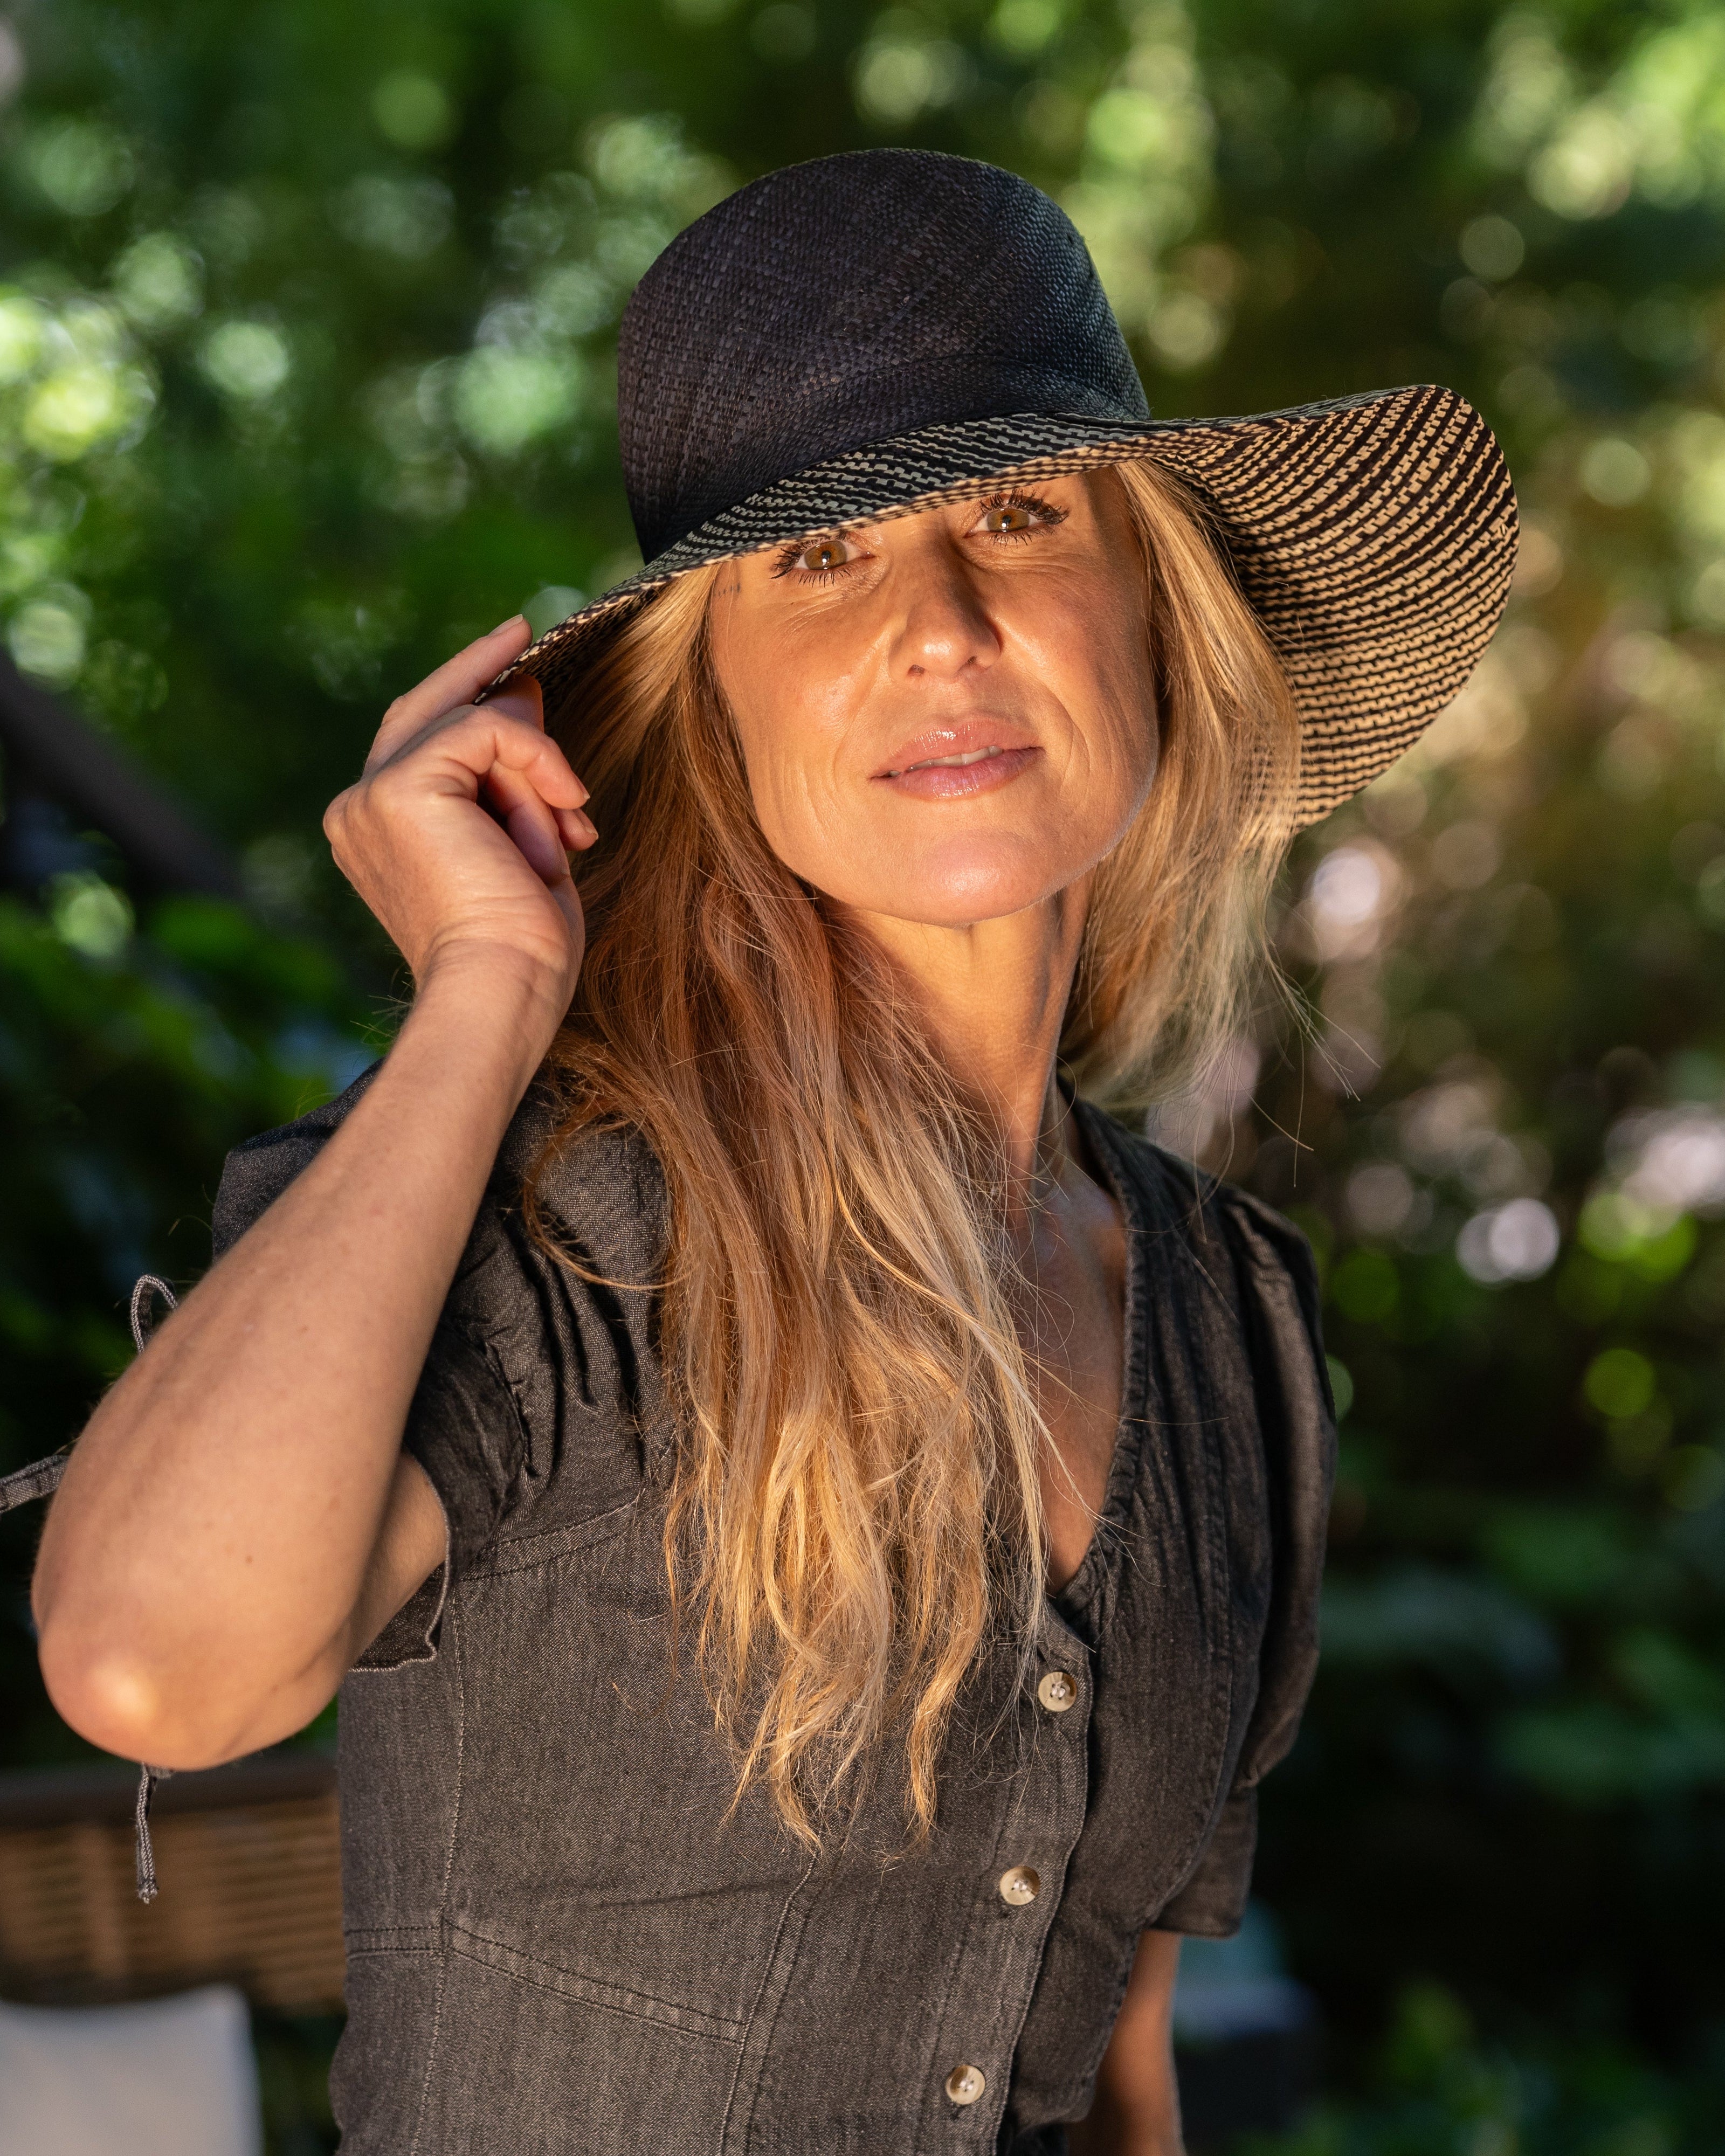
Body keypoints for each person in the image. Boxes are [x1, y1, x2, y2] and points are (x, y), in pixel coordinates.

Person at [26, 151, 1515, 2153]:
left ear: (1156, 614)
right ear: (704, 694)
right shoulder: (558, 1232)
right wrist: (483, 984)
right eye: (823, 560)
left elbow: (1129, 2067)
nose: (945, 626)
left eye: (1021, 512)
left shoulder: (1232, 1317)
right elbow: (149, 1668)